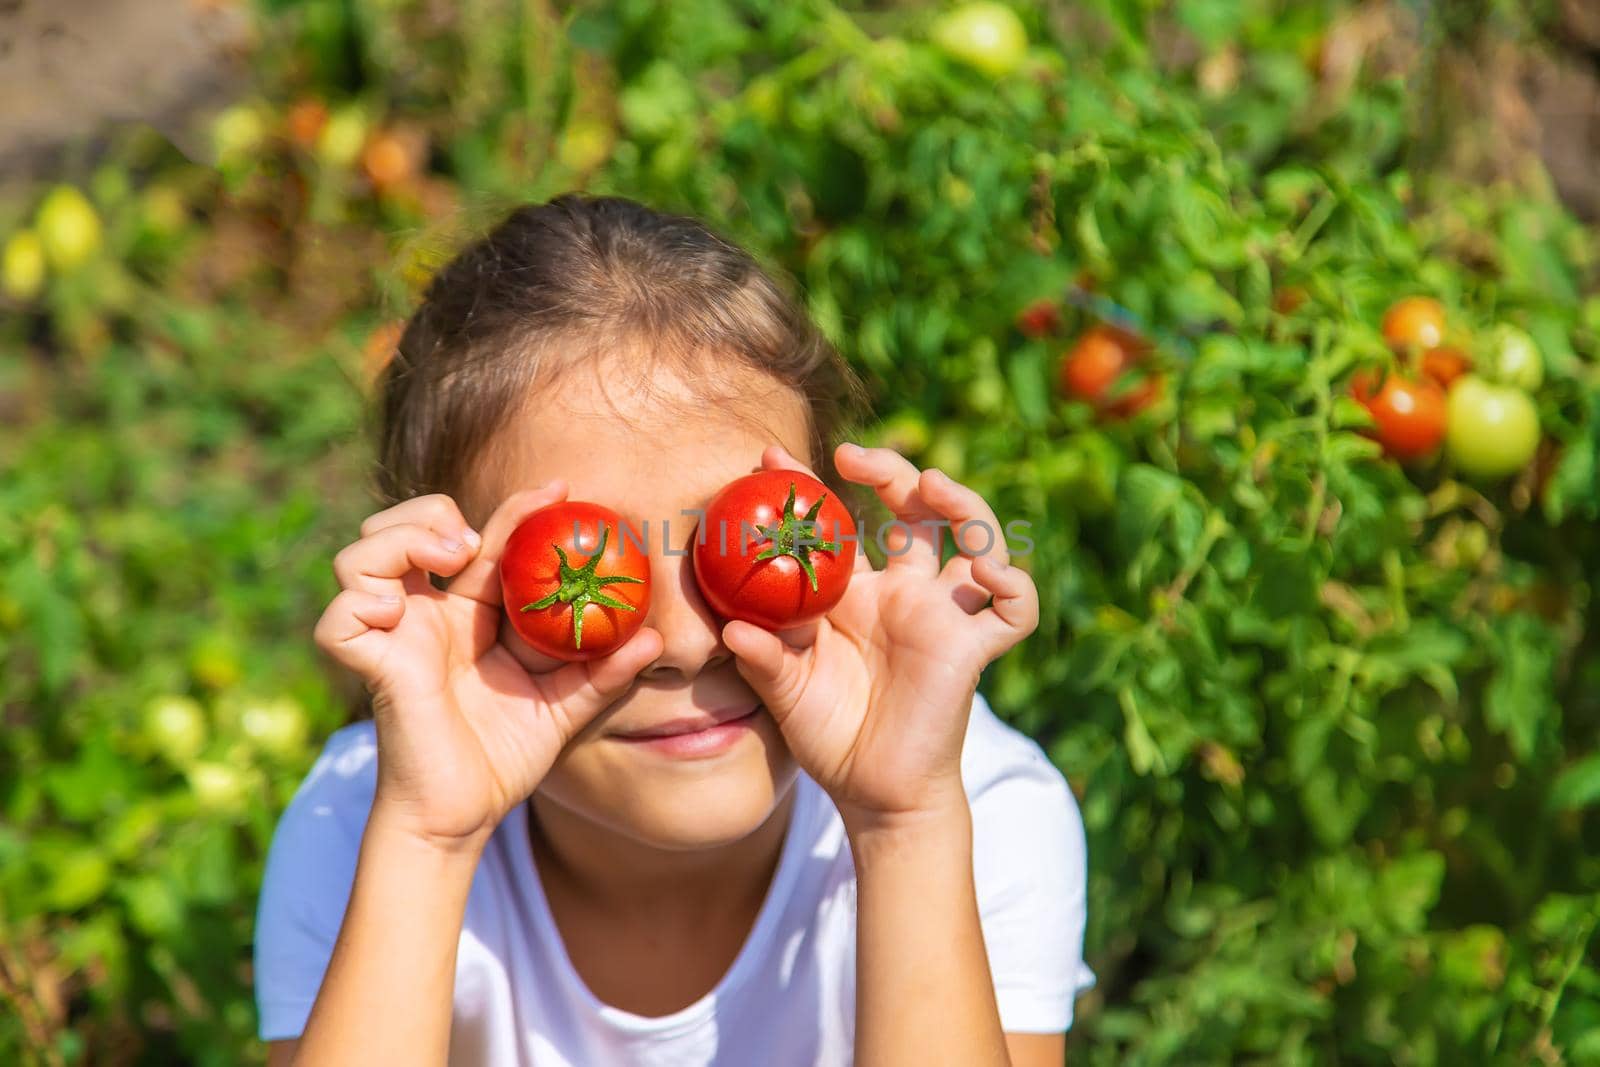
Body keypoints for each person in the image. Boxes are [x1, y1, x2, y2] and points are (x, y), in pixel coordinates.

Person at [254, 194, 1093, 1066]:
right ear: (447, 590)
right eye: (584, 572)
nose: (690, 644)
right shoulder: (363, 823)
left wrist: (903, 824)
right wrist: (429, 838)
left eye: (755, 537)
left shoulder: (973, 808)